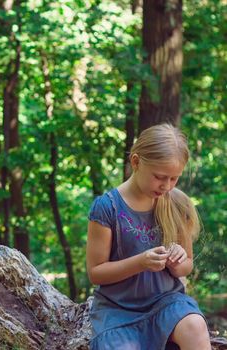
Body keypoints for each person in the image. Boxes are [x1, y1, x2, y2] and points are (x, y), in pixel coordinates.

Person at [86, 124, 211, 350]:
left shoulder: (176, 203)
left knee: (195, 325)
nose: (167, 186)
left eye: (174, 179)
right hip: (118, 311)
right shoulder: (107, 208)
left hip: (167, 303)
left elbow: (186, 267)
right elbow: (96, 273)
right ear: (136, 162)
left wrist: (178, 261)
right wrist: (141, 262)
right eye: (160, 177)